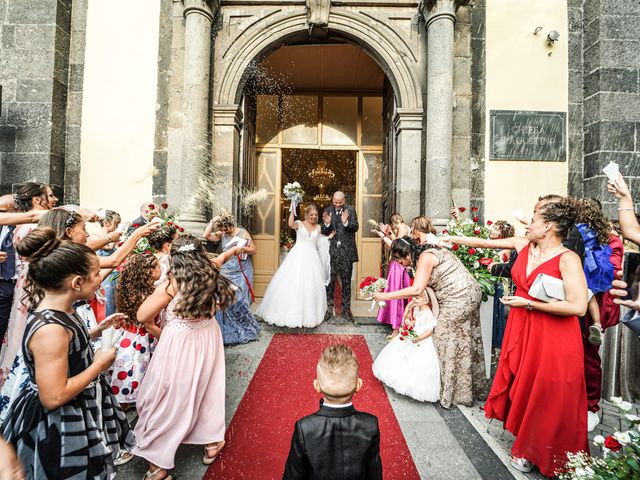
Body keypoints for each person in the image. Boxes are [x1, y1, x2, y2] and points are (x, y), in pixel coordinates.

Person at [445, 200, 589, 476]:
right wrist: (447, 237)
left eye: (534, 219)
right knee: (525, 383)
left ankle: (546, 453)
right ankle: (529, 443)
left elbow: (578, 306)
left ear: (547, 226)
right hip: (523, 328)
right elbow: (480, 242)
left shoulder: (568, 258)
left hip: (554, 334)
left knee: (549, 392)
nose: (529, 223)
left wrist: (530, 304)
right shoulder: (523, 245)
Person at [1, 227, 134, 478]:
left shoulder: (65, 311)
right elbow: (53, 396)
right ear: (76, 282)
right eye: (96, 274)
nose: (100, 279)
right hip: (56, 421)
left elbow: (68, 347)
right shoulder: (51, 329)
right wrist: (98, 365)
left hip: (77, 404)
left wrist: (95, 332)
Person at [132, 234, 238, 479]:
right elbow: (220, 257)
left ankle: (157, 465)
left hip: (179, 341)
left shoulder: (172, 285)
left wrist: (161, 332)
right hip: (208, 336)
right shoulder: (211, 271)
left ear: (174, 258)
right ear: (200, 254)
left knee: (168, 395)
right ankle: (212, 443)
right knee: (208, 388)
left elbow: (141, 315)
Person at [373, 217, 486, 409]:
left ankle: (451, 392)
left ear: (409, 254)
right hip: (464, 293)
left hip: (460, 296)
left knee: (442, 337)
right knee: (461, 339)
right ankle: (464, 389)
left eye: (401, 260)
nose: (401, 264)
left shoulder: (425, 257)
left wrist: (386, 296)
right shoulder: (421, 254)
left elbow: (417, 290)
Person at [283, 344, 382, 480]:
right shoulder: (370, 424)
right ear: (358, 385)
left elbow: (293, 474)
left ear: (317, 386)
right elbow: (374, 471)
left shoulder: (305, 427)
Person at [0, 183, 57, 385]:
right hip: (38, 279)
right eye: (50, 195)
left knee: (19, 324)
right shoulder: (38, 224)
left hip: (22, 281)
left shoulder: (20, 226)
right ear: (36, 200)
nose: (55, 198)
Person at [257, 204, 330, 329]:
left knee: (310, 285)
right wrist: (292, 207)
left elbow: (320, 241)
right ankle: (289, 315)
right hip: (298, 256)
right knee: (294, 282)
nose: (313, 217)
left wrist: (329, 235)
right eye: (311, 214)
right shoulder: (299, 224)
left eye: (315, 215)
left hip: (312, 258)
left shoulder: (318, 227)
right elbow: (290, 224)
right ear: (307, 215)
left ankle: (309, 316)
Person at [372, 289, 440, 402]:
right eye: (414, 297)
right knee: (400, 354)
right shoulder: (419, 307)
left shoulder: (427, 313)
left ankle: (411, 386)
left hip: (421, 340)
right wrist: (411, 323)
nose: (414, 300)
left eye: (417, 298)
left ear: (426, 300)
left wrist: (418, 338)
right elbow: (418, 321)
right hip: (414, 334)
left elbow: (429, 331)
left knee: (415, 363)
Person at [111, 253, 161, 406]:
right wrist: (167, 339)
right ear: (149, 272)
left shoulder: (131, 291)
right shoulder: (148, 296)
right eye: (158, 266)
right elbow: (149, 325)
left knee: (128, 375)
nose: (161, 268)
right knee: (138, 374)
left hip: (128, 337)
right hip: (142, 341)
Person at [204, 211, 260, 344]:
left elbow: (254, 250)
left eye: (226, 228)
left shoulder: (243, 232)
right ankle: (230, 328)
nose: (224, 231)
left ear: (231, 224)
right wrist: (212, 221)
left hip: (242, 270)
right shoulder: (222, 234)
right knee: (227, 301)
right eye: (221, 228)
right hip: (226, 272)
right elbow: (205, 235)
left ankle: (246, 328)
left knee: (241, 300)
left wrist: (240, 248)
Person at [321, 191, 359, 320]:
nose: (337, 205)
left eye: (340, 202)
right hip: (331, 252)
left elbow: (355, 227)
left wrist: (345, 222)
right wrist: (326, 224)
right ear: (332, 200)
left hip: (346, 252)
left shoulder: (350, 209)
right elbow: (323, 231)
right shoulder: (328, 210)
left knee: (346, 282)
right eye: (335, 202)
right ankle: (328, 310)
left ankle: (346, 310)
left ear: (344, 200)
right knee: (329, 282)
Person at [372, 214, 411, 337]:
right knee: (393, 290)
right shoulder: (401, 228)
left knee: (397, 292)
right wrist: (389, 234)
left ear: (395, 222)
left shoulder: (403, 227)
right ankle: (392, 320)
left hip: (399, 266)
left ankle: (397, 324)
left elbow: (396, 246)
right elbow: (396, 241)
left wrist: (384, 236)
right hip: (397, 264)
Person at [487, 220, 515, 351]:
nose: (491, 229)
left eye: (495, 228)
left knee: (497, 315)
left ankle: (496, 345)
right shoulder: (491, 244)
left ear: (502, 233)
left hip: (499, 285)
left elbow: (496, 262)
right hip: (491, 282)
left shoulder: (507, 249)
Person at [94, 209, 123, 317]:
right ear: (107, 223)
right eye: (116, 224)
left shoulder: (112, 237)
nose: (116, 227)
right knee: (108, 301)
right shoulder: (96, 237)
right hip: (105, 274)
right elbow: (108, 247)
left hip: (114, 273)